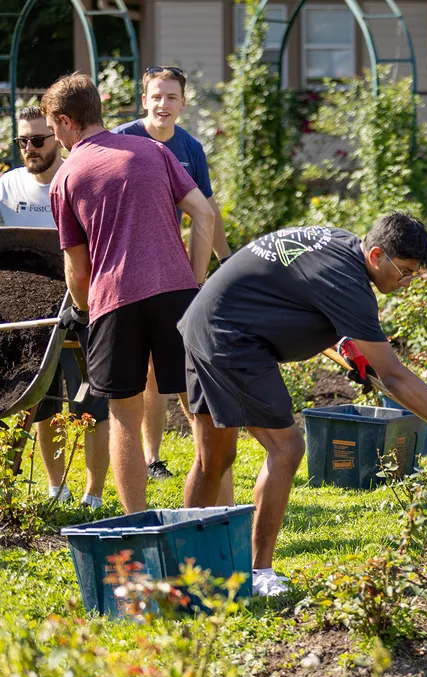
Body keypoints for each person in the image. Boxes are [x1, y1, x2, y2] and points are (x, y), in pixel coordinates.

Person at [177, 215, 427, 596]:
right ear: (377, 255)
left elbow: (296, 291)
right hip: (231, 338)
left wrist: (347, 343)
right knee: (287, 448)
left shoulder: (343, 246)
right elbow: (393, 377)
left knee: (214, 459)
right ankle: (258, 571)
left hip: (205, 321)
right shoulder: (350, 283)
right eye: (406, 272)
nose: (408, 283)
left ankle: (184, 570)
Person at [42, 72, 216, 514]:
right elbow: (203, 214)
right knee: (201, 411)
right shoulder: (156, 151)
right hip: (177, 294)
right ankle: (210, 518)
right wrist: (193, 282)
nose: (54, 137)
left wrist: (83, 309)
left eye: (52, 127)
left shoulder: (67, 177)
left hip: (113, 302)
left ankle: (138, 522)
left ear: (66, 121)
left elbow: (77, 270)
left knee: (123, 417)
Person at [114, 66, 232, 482]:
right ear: (144, 99)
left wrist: (226, 262)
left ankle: (207, 456)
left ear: (183, 103)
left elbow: (207, 212)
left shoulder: (191, 149)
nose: (163, 104)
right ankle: (152, 458)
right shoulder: (122, 141)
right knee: (145, 370)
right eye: (156, 96)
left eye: (172, 97)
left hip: (174, 270)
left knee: (184, 369)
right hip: (126, 273)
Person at [0, 105, 109, 507]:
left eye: (38, 140)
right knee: (41, 402)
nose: (30, 148)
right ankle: (55, 487)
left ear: (57, 136)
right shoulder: (7, 187)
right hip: (32, 315)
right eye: (22, 141)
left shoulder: (77, 179)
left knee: (92, 404)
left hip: (83, 302)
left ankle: (93, 495)